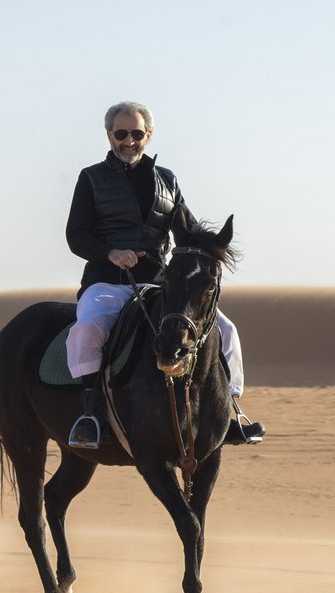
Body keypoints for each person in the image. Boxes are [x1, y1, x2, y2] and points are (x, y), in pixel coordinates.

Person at [64, 100, 265, 450]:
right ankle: (91, 414)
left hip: (159, 283)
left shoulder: (167, 180)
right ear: (109, 134)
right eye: (121, 134)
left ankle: (229, 413)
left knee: (226, 331)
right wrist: (111, 253)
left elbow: (184, 227)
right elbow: (76, 236)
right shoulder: (91, 178)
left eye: (137, 134)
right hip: (108, 282)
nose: (129, 141)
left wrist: (206, 249)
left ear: (149, 135)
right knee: (88, 328)